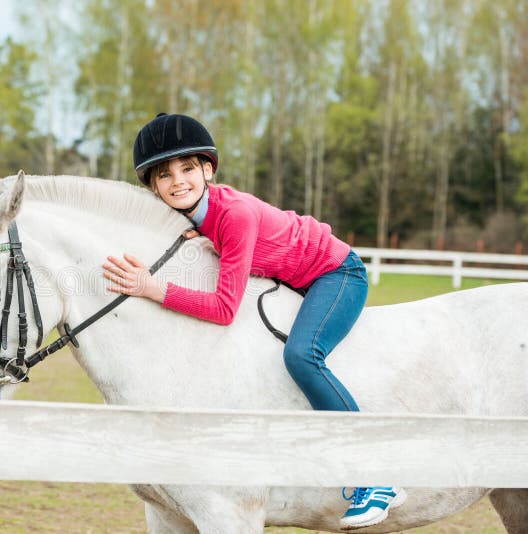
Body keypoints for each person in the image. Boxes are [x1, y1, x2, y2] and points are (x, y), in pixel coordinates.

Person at [102, 113, 407, 530]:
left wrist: (154, 289)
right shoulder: (192, 218)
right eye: (164, 174)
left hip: (335, 273)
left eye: (187, 168)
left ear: (208, 168)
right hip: (294, 278)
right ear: (153, 186)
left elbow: (225, 309)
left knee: (302, 356)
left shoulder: (235, 214)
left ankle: (375, 476)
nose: (178, 181)